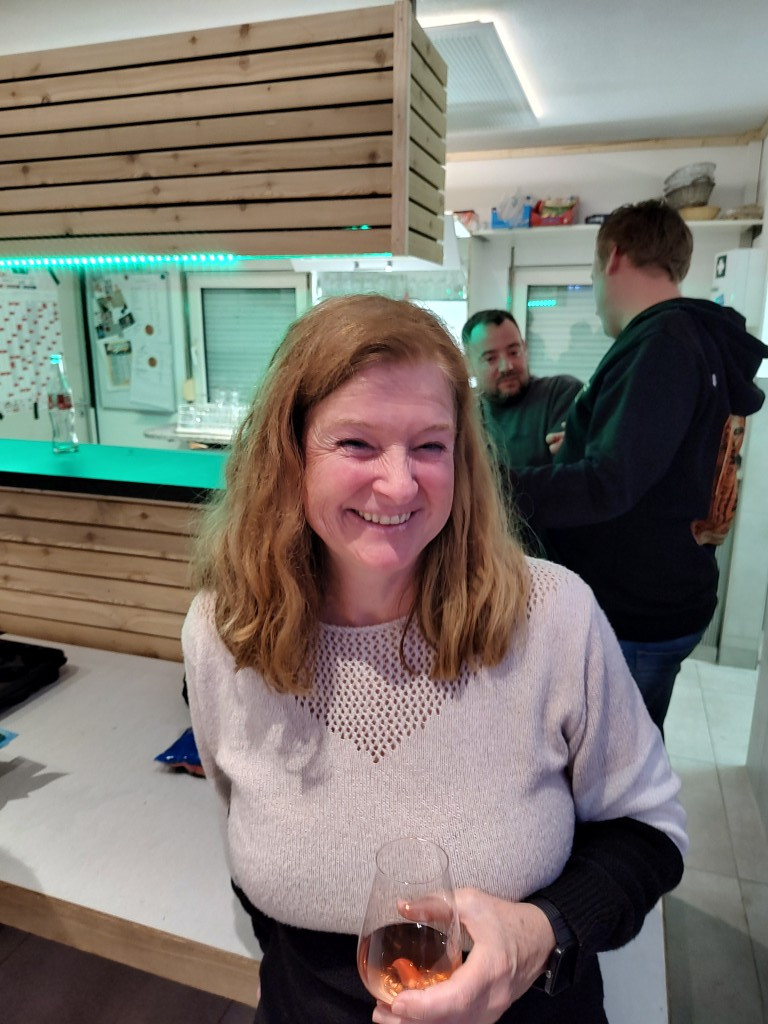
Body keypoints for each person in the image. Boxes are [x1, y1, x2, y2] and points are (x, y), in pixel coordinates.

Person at [182, 293, 688, 1024]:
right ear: (288, 456)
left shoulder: (552, 617)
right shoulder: (221, 633)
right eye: (356, 444)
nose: (398, 483)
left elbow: (651, 831)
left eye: (429, 446)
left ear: (463, 456)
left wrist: (540, 932)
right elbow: (241, 835)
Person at [509, 199, 768, 732]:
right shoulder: (688, 337)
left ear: (614, 257)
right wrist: (581, 443)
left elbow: (609, 484)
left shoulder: (662, 344)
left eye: (592, 273)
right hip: (657, 593)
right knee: (631, 748)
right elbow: (659, 459)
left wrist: (496, 487)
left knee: (615, 765)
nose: (596, 293)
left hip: (636, 611)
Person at [462, 310, 582, 468]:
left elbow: (570, 473)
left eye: (514, 352)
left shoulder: (561, 393)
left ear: (525, 349)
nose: (507, 367)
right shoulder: (463, 412)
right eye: (490, 359)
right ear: (468, 364)